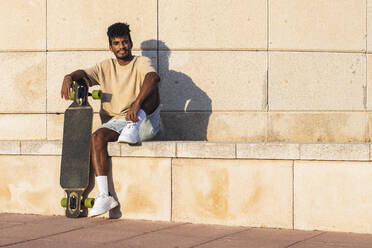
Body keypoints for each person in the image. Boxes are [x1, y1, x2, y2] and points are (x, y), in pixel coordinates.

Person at [60, 22, 161, 217]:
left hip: (143, 120)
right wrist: (69, 76)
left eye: (124, 42)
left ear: (131, 43)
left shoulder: (141, 62)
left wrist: (137, 104)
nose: (121, 46)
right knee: (96, 137)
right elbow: (84, 74)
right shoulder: (105, 66)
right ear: (110, 47)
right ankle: (104, 195)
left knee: (153, 83)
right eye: (116, 43)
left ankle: (134, 123)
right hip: (118, 122)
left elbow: (153, 77)